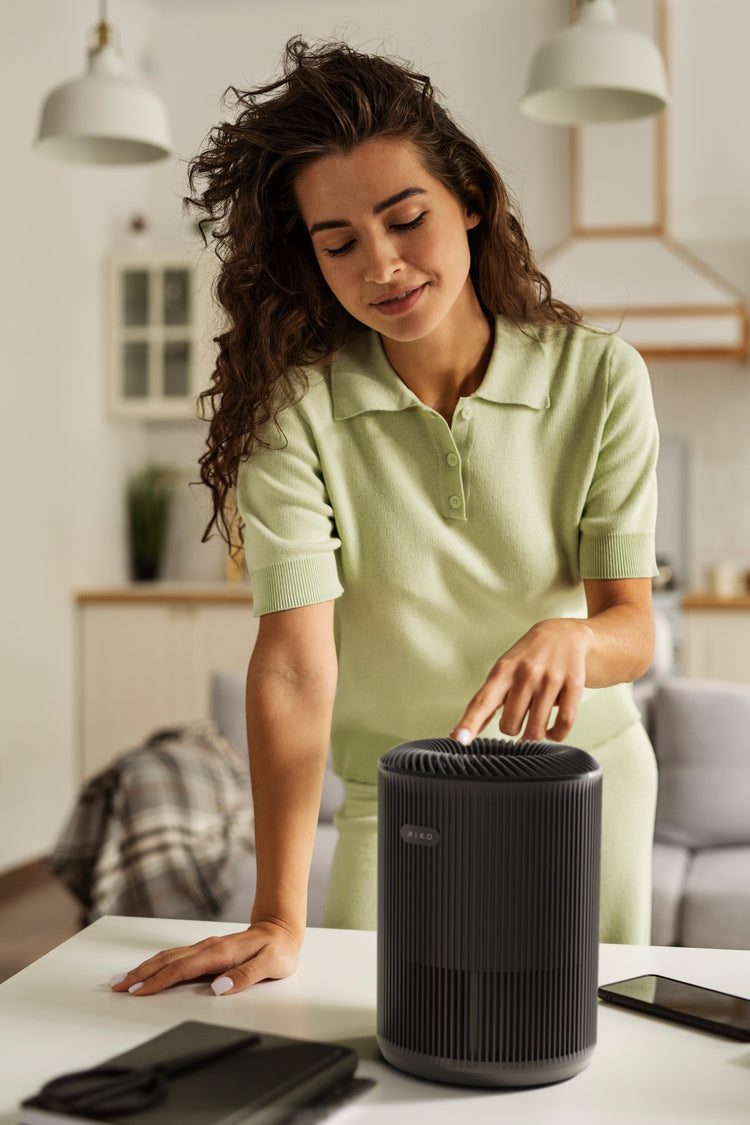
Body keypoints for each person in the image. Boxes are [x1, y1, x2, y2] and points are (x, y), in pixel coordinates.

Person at [109, 38, 658, 999]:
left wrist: (574, 637)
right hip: (398, 802)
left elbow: (632, 626)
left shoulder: (600, 378)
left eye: (407, 220)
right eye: (340, 244)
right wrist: (277, 914)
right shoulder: (296, 412)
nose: (384, 265)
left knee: (582, 1073)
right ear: (308, 256)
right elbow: (291, 659)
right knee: (374, 1059)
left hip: (584, 792)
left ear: (471, 202)